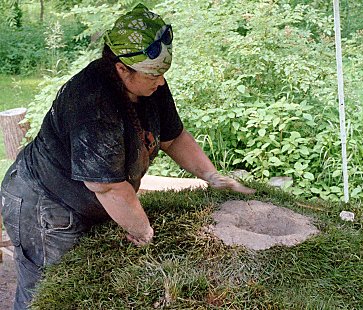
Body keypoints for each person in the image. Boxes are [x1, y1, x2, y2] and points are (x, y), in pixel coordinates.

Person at [0, 4, 255, 309]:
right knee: (49, 294)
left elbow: (174, 138)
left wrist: (212, 176)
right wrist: (143, 231)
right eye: (153, 76)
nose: (160, 82)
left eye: (162, 74)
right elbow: (107, 187)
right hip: (42, 203)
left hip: (86, 200)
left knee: (86, 287)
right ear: (122, 68)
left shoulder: (149, 82)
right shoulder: (93, 102)